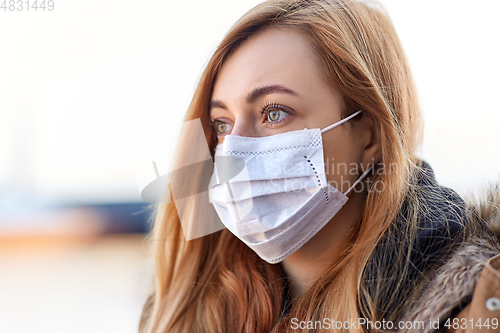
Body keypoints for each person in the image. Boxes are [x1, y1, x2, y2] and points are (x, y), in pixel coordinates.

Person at [139, 0, 500, 332]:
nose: (234, 150)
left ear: (370, 135)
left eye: (274, 113)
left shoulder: (476, 311)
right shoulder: (183, 311)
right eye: (222, 124)